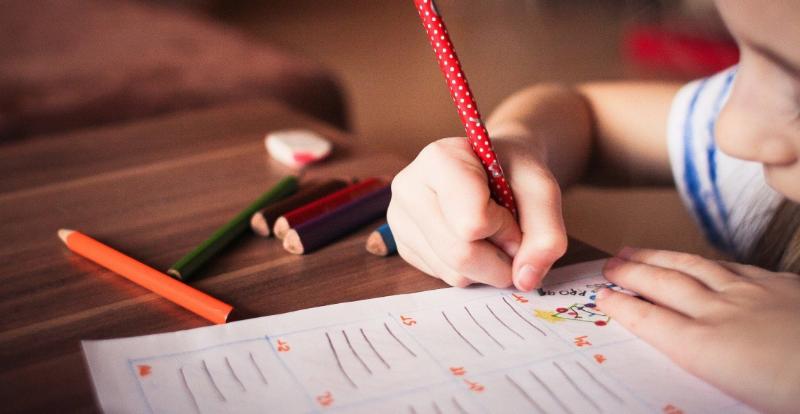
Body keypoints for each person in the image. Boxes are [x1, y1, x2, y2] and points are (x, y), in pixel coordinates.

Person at [387, 1, 800, 412]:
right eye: (742, 59)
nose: (729, 132)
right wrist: (518, 146)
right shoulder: (760, 130)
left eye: (797, 86)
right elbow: (586, 115)